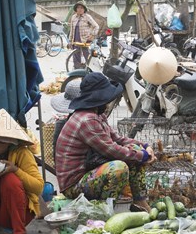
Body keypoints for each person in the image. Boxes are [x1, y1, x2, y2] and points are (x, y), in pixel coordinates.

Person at [54, 71, 155, 212]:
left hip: (90, 170)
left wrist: (144, 146)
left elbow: (118, 139)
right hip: (74, 185)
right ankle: (104, 211)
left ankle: (140, 202)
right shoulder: (87, 120)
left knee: (135, 151)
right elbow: (112, 150)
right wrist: (143, 156)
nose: (109, 102)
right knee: (119, 168)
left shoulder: (97, 114)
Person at [68, 1, 99, 69]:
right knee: (76, 55)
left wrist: (92, 35)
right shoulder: (73, 17)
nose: (80, 9)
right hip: (75, 39)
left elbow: (96, 26)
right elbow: (72, 30)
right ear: (76, 9)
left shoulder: (87, 17)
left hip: (85, 39)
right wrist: (70, 41)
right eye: (78, 7)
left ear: (84, 9)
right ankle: (77, 69)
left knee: (87, 54)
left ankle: (90, 68)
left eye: (82, 8)